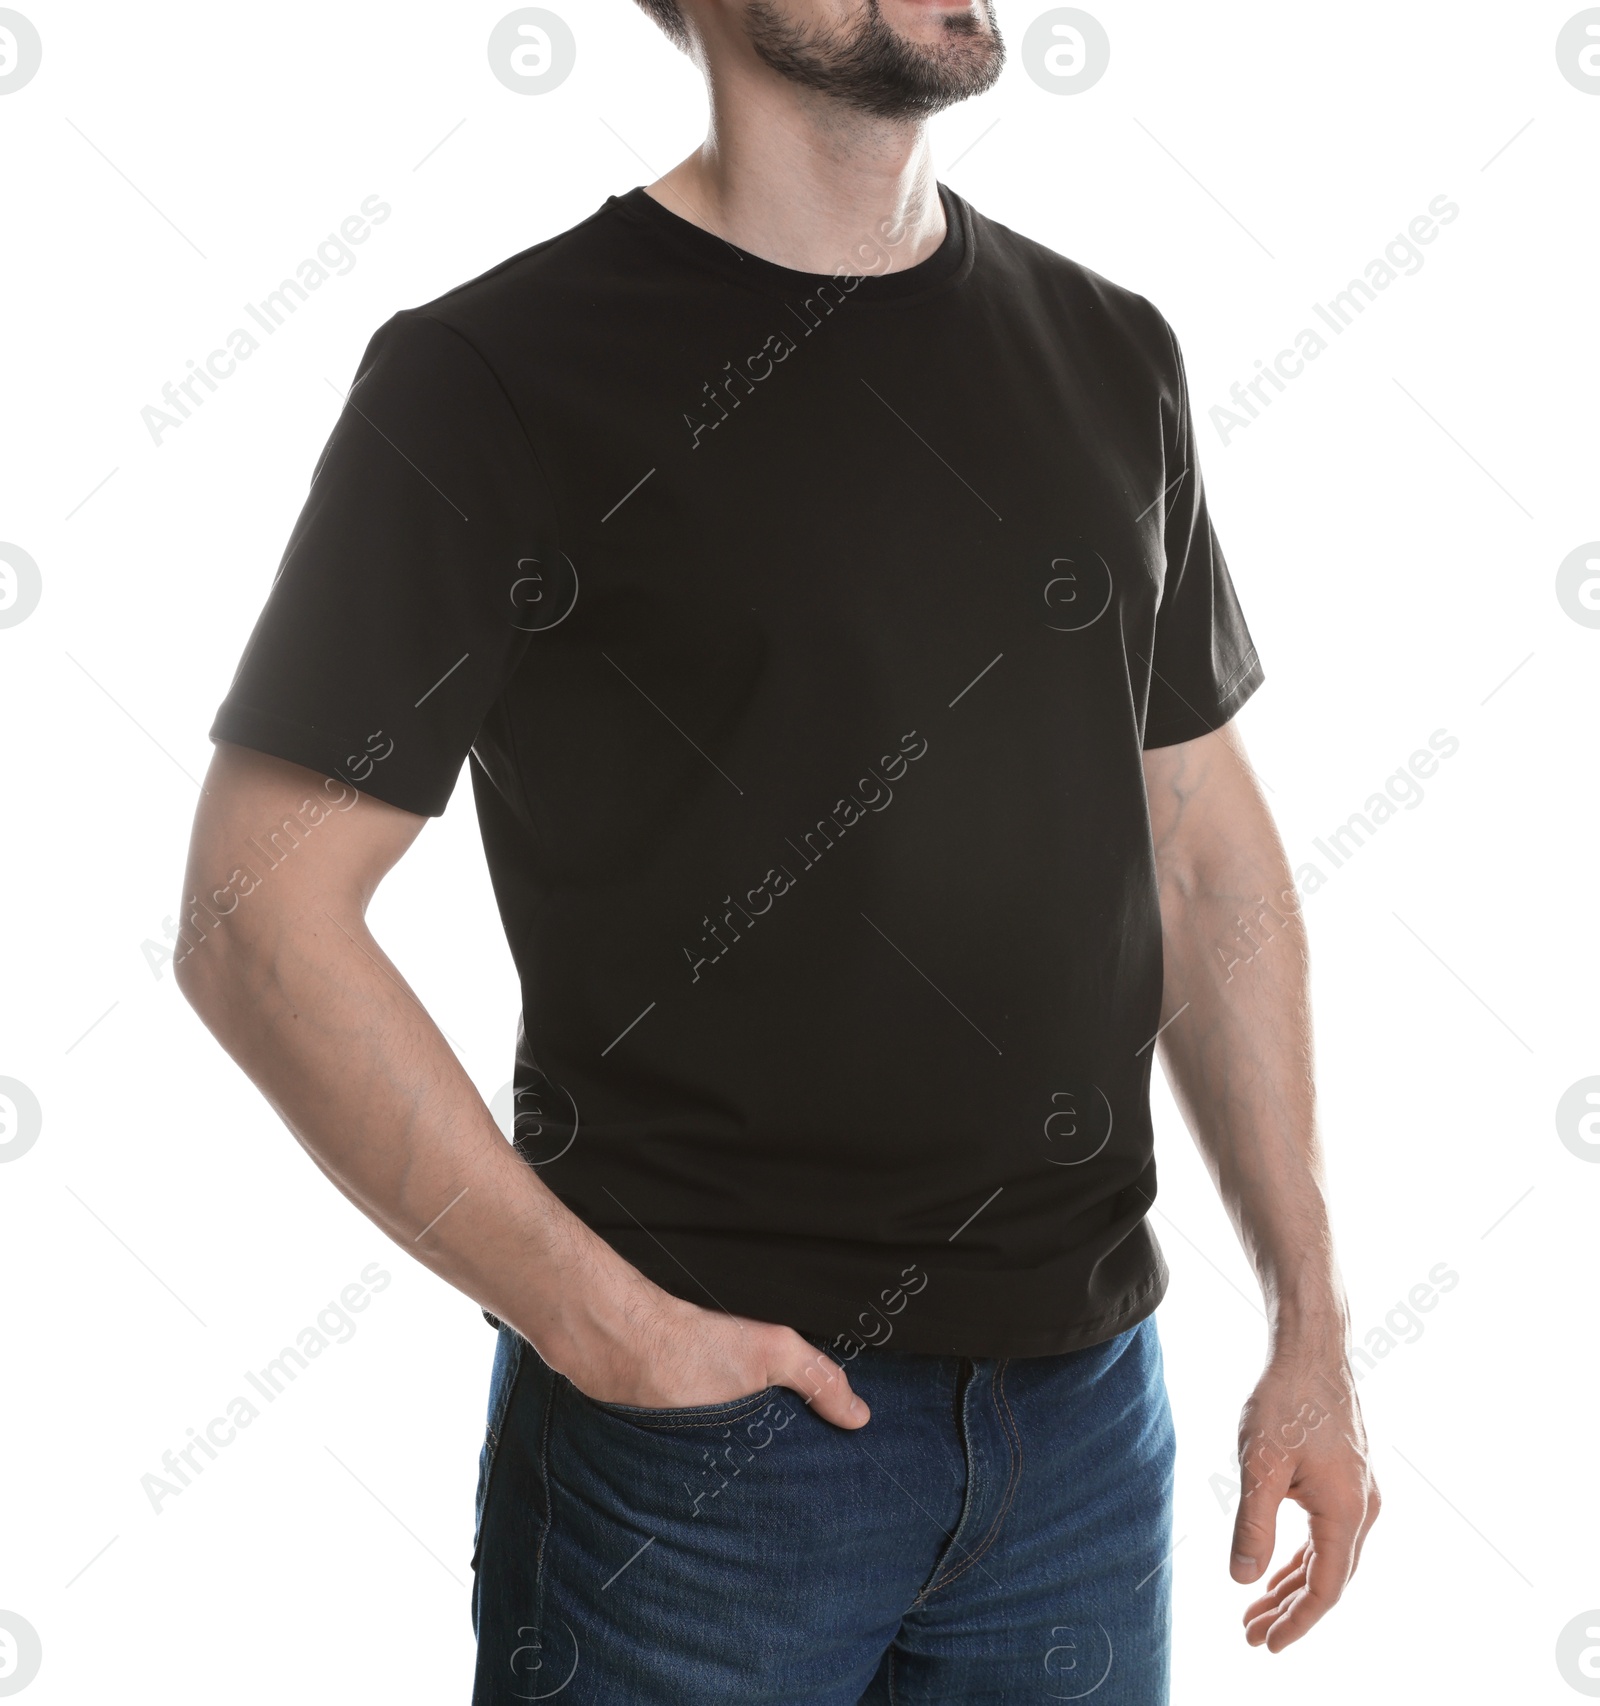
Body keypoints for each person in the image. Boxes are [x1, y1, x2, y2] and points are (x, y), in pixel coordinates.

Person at [174, 1, 1380, 1699]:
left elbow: (1209, 862)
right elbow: (257, 923)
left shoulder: (1114, 350)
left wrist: (1313, 1320)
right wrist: (600, 1324)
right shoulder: (498, 376)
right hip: (699, 1462)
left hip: (1085, 1427)